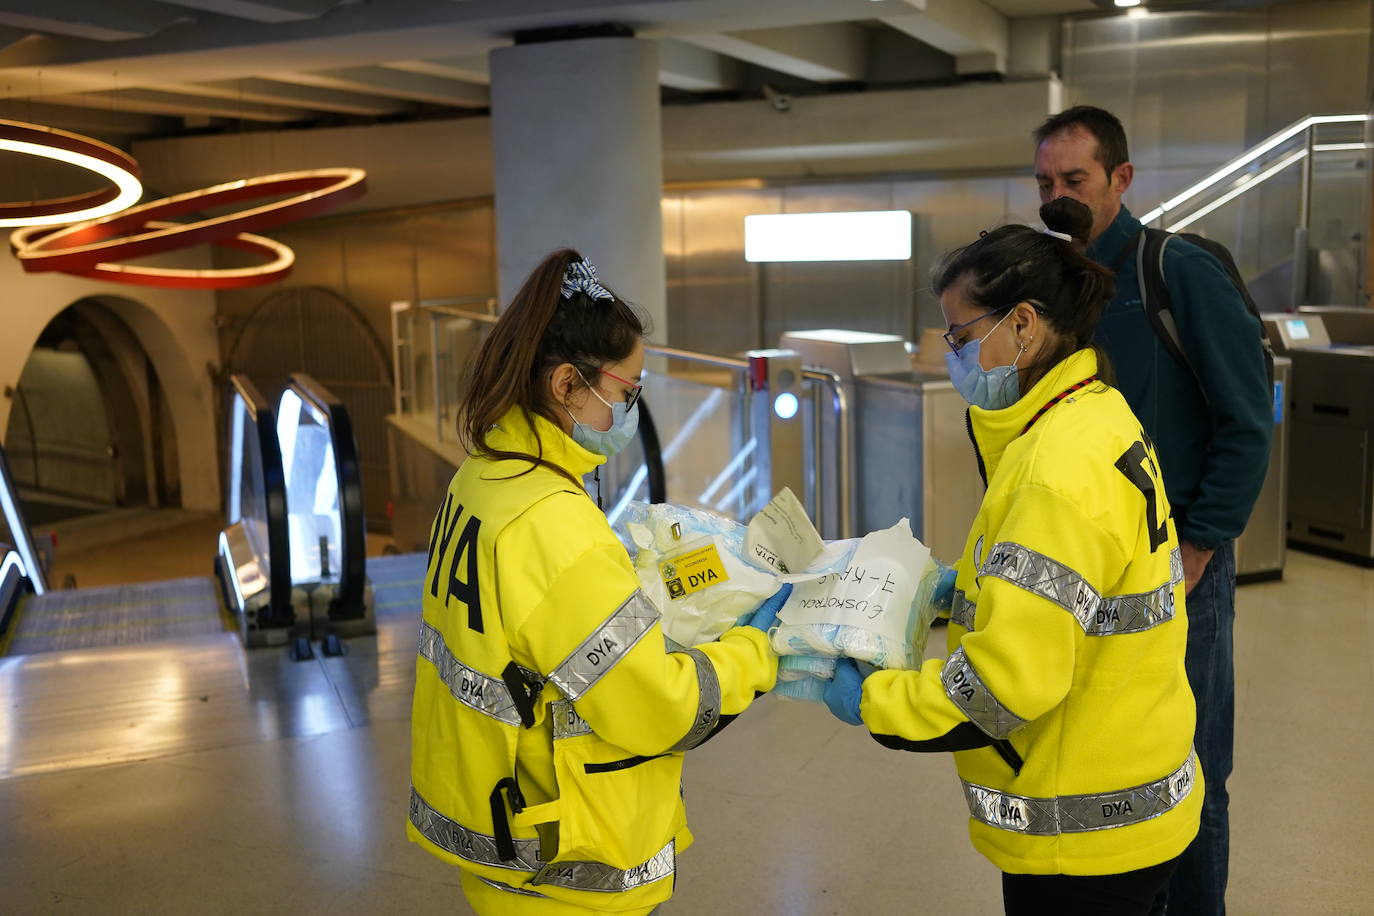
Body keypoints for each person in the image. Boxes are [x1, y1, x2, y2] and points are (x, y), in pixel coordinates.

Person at [823, 198, 1201, 916]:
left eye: (960, 334)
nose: (949, 354)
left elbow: (1000, 690)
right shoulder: (1095, 410)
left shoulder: (1052, 470)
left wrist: (868, 699)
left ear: (1022, 324)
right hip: (1132, 775)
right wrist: (952, 588)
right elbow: (1070, 588)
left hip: (1082, 829)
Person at [408, 248, 786, 916]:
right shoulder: (555, 524)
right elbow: (656, 707)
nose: (633, 407)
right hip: (565, 864)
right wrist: (757, 651)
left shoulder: (484, 476)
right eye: (626, 390)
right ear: (565, 386)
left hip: (497, 824)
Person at [1033, 106, 1273, 915]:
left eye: (1075, 180)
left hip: (1181, 566)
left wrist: (1202, 543)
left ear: (1121, 180)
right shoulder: (1055, 286)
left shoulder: (1175, 272)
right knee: (1122, 765)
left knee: (1193, 769)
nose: (1057, 196)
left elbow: (1246, 420)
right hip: (1085, 568)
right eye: (1045, 182)